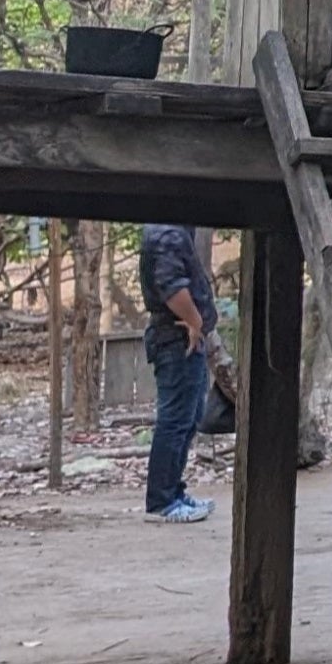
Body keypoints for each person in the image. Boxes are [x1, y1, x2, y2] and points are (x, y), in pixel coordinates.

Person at [136, 221, 219, 523]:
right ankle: (162, 502)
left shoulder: (174, 231)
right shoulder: (166, 234)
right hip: (177, 336)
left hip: (183, 336)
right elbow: (172, 287)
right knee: (175, 420)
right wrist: (195, 322)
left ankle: (173, 491)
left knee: (190, 416)